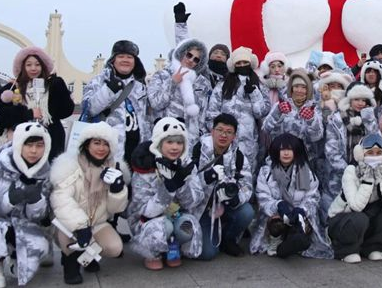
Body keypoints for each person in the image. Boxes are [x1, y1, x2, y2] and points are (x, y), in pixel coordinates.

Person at [0, 122, 52, 288]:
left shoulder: (45, 174)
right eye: (28, 145)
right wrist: (8, 200)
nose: (34, 151)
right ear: (18, 144)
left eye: (39, 145)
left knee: (39, 245)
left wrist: (36, 201)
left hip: (24, 224)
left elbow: (41, 217)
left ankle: (16, 256)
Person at [50, 122, 129, 285]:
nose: (101, 148)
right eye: (96, 143)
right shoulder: (70, 166)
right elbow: (61, 200)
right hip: (70, 225)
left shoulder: (114, 168)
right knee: (69, 238)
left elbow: (115, 209)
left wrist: (118, 189)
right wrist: (81, 225)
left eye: (105, 144)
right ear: (86, 145)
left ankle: (88, 253)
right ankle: (70, 263)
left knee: (115, 247)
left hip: (97, 222)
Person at [128, 118, 204, 270]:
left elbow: (194, 201)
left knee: (188, 224)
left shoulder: (186, 164)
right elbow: (145, 211)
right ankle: (152, 253)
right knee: (164, 226)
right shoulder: (144, 168)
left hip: (176, 215)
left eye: (179, 142)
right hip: (146, 221)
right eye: (169, 142)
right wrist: (168, 189)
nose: (175, 147)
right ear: (158, 143)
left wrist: (180, 183)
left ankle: (172, 247)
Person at [250, 133, 332, 259]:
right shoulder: (266, 171)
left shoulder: (306, 171)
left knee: (303, 232)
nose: (286, 153)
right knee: (276, 224)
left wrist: (302, 210)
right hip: (277, 216)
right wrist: (278, 204)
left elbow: (313, 197)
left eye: (289, 149)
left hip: (298, 216)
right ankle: (275, 240)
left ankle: (291, 243)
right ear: (276, 150)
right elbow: (262, 197)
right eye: (282, 149)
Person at [0, 47, 75, 161]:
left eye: (37, 64)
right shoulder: (12, 88)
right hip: (19, 145)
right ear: (22, 67)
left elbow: (66, 111)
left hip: (50, 143)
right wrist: (28, 113)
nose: (33, 68)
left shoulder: (52, 86)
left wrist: (58, 86)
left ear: (43, 66)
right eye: (29, 65)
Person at [327, 133, 382, 263]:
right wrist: (368, 180)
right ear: (361, 154)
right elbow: (356, 206)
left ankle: (372, 247)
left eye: (378, 153)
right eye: (370, 152)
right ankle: (346, 250)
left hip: (369, 215)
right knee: (360, 218)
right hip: (342, 218)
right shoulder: (351, 171)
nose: (375, 156)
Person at [193, 113, 255, 259]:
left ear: (234, 136)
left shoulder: (239, 157)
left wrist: (236, 198)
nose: (223, 135)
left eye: (228, 132)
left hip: (227, 206)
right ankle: (209, 234)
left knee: (247, 212)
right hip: (202, 208)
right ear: (212, 131)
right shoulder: (197, 151)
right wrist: (207, 178)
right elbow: (187, 184)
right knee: (207, 254)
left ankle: (228, 239)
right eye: (220, 130)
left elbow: (247, 186)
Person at [82, 40, 150, 165]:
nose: (125, 60)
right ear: (113, 59)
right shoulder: (99, 81)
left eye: (129, 57)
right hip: (108, 152)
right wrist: (109, 90)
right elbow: (89, 109)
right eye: (121, 56)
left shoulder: (140, 86)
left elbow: (146, 117)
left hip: (137, 153)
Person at [205, 47, 267, 176]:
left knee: (246, 175)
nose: (242, 65)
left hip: (248, 142)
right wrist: (218, 134)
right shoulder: (223, 84)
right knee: (222, 174)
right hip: (224, 141)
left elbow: (261, 113)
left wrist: (254, 93)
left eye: (245, 62)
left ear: (251, 63)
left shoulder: (260, 84)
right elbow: (212, 112)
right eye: (238, 63)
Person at [321, 81, 378, 215]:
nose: (360, 103)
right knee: (336, 209)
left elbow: (377, 144)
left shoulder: (370, 118)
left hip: (364, 174)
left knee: (359, 209)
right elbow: (331, 150)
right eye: (356, 99)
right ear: (349, 100)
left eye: (364, 100)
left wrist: (369, 120)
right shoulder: (336, 119)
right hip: (339, 173)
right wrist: (347, 170)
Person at [148, 37, 211, 143]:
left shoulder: (202, 83)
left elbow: (204, 114)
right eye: (189, 55)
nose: (191, 60)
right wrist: (173, 83)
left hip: (191, 140)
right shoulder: (162, 75)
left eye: (196, 59)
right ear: (182, 53)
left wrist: (200, 135)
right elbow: (155, 104)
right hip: (166, 137)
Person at [262, 69, 323, 163]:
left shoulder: (313, 109)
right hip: (280, 158)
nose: (299, 90)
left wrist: (311, 120)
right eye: (296, 86)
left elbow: (316, 137)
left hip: (304, 160)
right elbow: (266, 129)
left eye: (303, 87)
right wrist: (277, 112)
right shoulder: (281, 105)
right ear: (291, 88)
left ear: (308, 89)